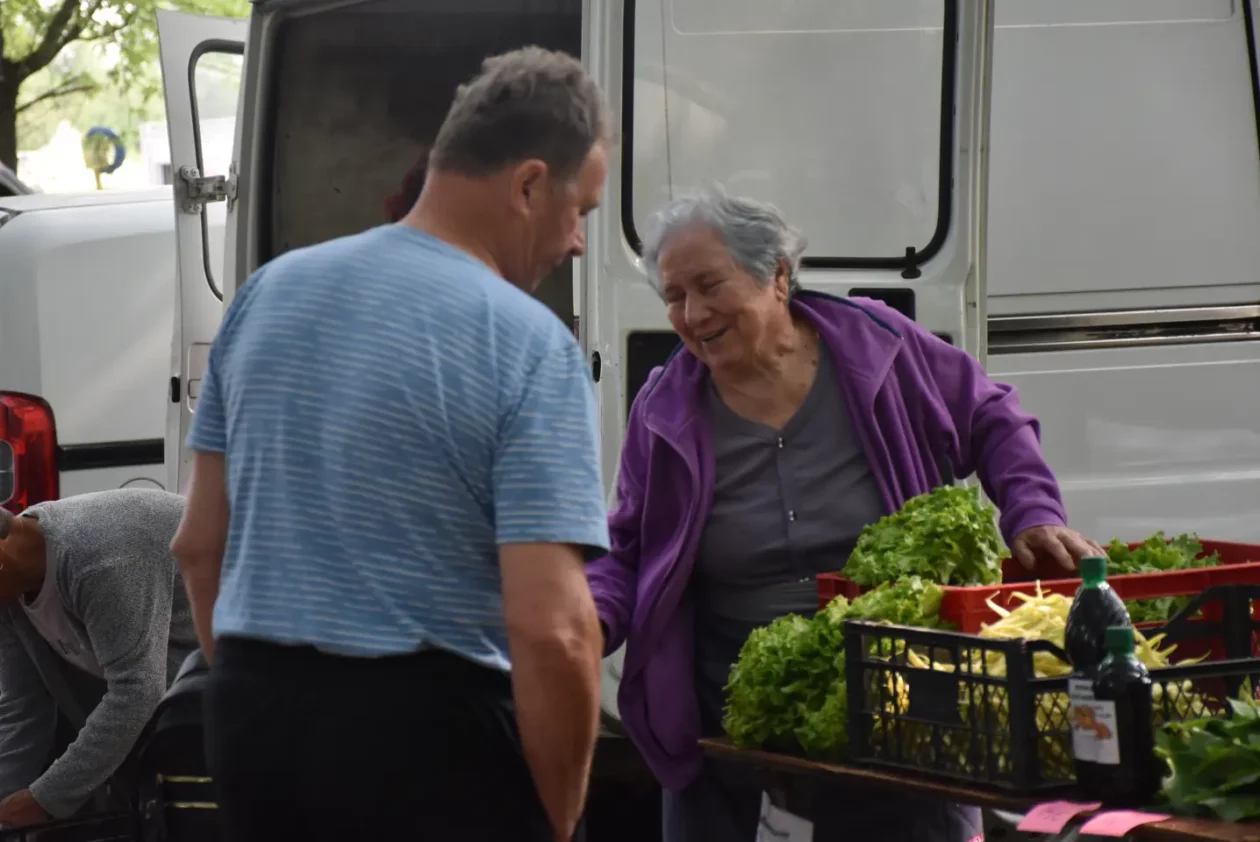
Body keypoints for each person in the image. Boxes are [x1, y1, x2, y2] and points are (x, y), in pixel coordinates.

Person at [170, 46, 612, 842]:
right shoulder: (527, 342)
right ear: (529, 185)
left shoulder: (267, 293)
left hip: (252, 718)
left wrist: (259, 694)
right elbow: (555, 630)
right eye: (580, 209)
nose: (578, 241)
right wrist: (561, 817)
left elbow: (201, 547)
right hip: (431, 738)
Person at [585, 187, 1106, 842]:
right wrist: (589, 617)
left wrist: (1031, 511)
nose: (691, 314)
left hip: (905, 711)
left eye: (709, 286)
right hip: (733, 730)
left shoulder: (877, 346)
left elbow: (991, 415)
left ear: (776, 275)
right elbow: (628, 545)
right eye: (673, 296)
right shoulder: (665, 411)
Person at [0, 490, 195, 828]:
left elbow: (138, 691)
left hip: (243, 679)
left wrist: (45, 799)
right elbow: (24, 704)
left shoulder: (96, 557)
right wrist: (8, 806)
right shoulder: (11, 586)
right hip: (171, 695)